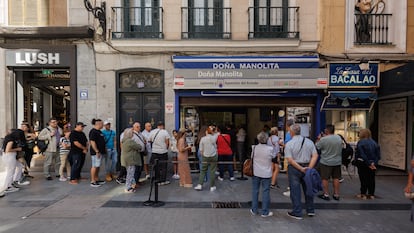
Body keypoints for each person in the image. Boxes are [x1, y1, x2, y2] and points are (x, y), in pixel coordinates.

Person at [285, 124, 319, 220]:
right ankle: (310, 209)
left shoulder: (289, 144)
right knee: (308, 188)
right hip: (307, 165)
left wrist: (300, 168)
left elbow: (290, 160)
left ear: (291, 132)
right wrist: (309, 168)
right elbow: (315, 156)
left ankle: (297, 212)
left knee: (295, 191)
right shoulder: (309, 142)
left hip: (294, 168)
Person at [250, 131, 276, 217]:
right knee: (266, 192)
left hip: (256, 172)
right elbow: (274, 156)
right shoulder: (270, 149)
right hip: (266, 173)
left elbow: (252, 158)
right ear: (267, 139)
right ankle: (265, 211)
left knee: (255, 191)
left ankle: (254, 209)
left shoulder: (254, 148)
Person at [315, 124, 343, 201]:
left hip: (326, 162)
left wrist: (318, 139)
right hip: (337, 161)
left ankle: (326, 194)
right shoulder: (338, 138)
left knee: (325, 178)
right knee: (336, 178)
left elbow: (317, 147)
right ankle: (336, 194)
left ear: (327, 130)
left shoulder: (324, 139)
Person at [354, 128, 381, 200]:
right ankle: (371, 194)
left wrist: (368, 163)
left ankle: (363, 194)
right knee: (371, 179)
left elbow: (362, 154)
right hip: (373, 163)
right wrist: (373, 163)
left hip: (363, 163)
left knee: (363, 178)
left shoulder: (361, 142)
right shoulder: (375, 143)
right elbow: (378, 156)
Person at [0, 129, 24, 197]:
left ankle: (15, 181)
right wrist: (18, 149)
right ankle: (8, 187)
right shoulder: (11, 140)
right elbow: (8, 150)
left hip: (8, 156)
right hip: (9, 156)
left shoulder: (8, 137)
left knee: (19, 166)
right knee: (10, 172)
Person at [194, 125, 219, 192]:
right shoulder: (214, 138)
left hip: (205, 156)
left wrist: (203, 156)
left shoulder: (203, 139)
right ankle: (212, 186)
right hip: (214, 156)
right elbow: (217, 133)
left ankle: (200, 185)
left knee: (203, 171)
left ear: (206, 132)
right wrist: (214, 130)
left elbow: (201, 150)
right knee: (212, 171)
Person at [120, 128, 142, 193]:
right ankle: (128, 187)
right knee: (130, 174)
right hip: (130, 160)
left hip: (126, 159)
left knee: (129, 173)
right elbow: (139, 147)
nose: (133, 134)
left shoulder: (124, 140)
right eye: (132, 133)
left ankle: (132, 185)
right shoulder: (130, 141)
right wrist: (138, 145)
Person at [89, 118, 106, 187]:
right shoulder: (93, 132)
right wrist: (96, 151)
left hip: (100, 152)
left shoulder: (99, 131)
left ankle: (96, 179)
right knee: (95, 166)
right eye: (102, 124)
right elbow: (92, 142)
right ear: (98, 124)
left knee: (98, 166)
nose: (103, 125)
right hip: (96, 152)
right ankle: (93, 181)